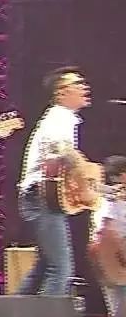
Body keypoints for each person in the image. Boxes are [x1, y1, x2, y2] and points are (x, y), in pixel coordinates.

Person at [18, 66, 93, 296]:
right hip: (41, 197)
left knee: (44, 268)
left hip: (40, 197)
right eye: (78, 84)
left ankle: (12, 315)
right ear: (61, 92)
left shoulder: (60, 117)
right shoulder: (60, 116)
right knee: (61, 269)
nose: (85, 87)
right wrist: (85, 173)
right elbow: (61, 149)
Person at [93, 156, 126, 317]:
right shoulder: (110, 200)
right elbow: (106, 227)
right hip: (112, 250)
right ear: (122, 175)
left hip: (112, 248)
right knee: (118, 294)